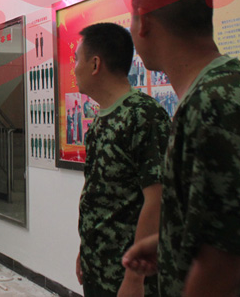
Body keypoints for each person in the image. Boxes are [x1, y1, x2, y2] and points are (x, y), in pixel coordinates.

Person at [123, 0, 240, 296]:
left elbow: (220, 266)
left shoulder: (210, 105)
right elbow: (238, 222)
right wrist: (170, 243)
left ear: (144, 22)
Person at [74, 23, 169, 297]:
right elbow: (99, 195)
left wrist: (134, 277)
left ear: (95, 64)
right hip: (98, 267)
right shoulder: (101, 119)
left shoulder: (143, 116)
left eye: (77, 59)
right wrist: (86, 249)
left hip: (127, 277)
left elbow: (157, 199)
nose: (74, 68)